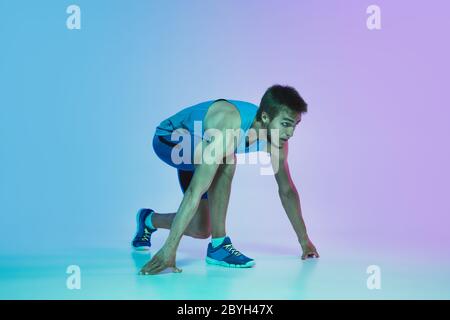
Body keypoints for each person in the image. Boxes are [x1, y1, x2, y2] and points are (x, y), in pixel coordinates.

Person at [132, 84, 319, 275]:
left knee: (201, 228)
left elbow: (286, 190)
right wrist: (169, 249)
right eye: (286, 124)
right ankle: (219, 245)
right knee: (227, 158)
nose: (290, 133)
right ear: (265, 117)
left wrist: (304, 241)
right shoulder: (228, 127)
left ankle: (148, 220)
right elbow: (194, 191)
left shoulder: (277, 139)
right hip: (170, 139)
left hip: (203, 147)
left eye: (295, 125)